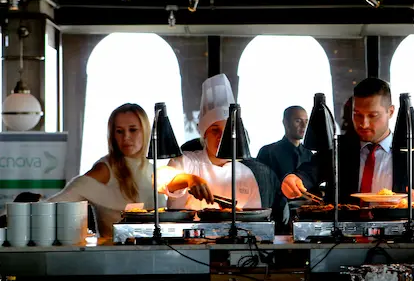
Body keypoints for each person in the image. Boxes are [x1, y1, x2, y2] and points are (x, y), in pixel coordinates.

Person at [281, 77, 414, 204]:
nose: (363, 124)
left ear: (390, 112)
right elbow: (311, 172)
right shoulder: (339, 150)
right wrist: (295, 179)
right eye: (357, 115)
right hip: (345, 241)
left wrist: (412, 208)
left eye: (373, 116)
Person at [48, 103, 166, 238]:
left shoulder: (153, 170)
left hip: (156, 252)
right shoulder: (105, 169)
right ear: (113, 135)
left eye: (133, 130)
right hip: (113, 253)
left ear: (145, 131)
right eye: (119, 131)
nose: (126, 137)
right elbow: (58, 202)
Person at [158, 74, 262, 210]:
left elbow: (254, 219)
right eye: (215, 130)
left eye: (226, 132)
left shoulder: (246, 174)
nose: (221, 137)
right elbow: (160, 179)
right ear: (204, 134)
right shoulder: (187, 162)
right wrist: (190, 180)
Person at [257, 106, 312, 181]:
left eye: (306, 122)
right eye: (298, 121)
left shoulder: (309, 155)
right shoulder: (268, 152)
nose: (304, 126)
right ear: (285, 122)